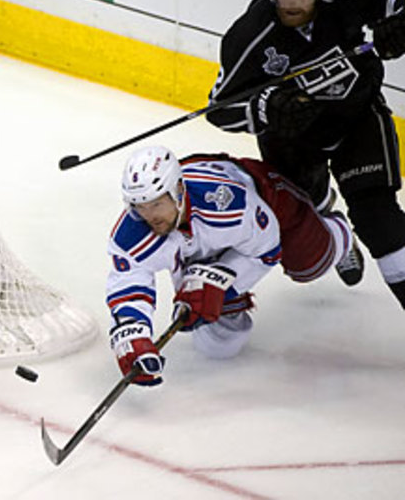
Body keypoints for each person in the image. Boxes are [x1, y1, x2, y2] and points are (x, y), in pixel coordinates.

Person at [206, 0, 405, 310]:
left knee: (379, 220)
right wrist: (265, 107)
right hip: (294, 139)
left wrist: (401, 22)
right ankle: (332, 220)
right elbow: (219, 108)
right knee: (306, 217)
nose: (290, 2)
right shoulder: (251, 35)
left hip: (356, 117)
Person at [107, 146, 360, 385]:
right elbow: (129, 280)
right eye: (140, 207)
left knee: (309, 266)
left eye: (156, 204)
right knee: (220, 344)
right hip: (206, 232)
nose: (150, 216)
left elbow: (267, 250)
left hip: (268, 199)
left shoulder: (230, 205)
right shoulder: (133, 230)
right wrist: (133, 333)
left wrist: (220, 283)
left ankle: (337, 229)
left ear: (178, 191)